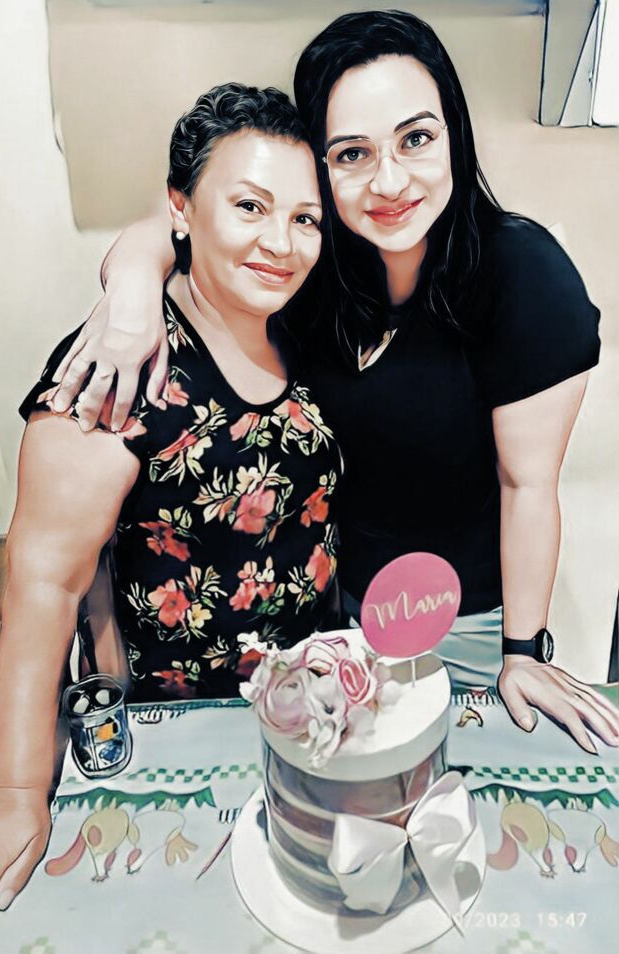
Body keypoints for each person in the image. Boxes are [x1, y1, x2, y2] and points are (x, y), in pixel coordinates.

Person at [49, 10, 619, 754]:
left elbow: (528, 484)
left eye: (416, 139)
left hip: (463, 622)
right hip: (328, 622)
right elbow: (184, 222)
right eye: (352, 153)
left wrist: (523, 651)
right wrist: (129, 290)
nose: (389, 181)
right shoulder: (312, 264)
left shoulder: (521, 274)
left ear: (454, 133)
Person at [0, 83, 342, 917]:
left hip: (312, 716)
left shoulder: (305, 324)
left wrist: (138, 257)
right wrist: (15, 790)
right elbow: (44, 582)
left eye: (305, 219)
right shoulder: (120, 365)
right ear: (181, 206)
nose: (281, 242)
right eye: (249, 206)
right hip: (178, 730)